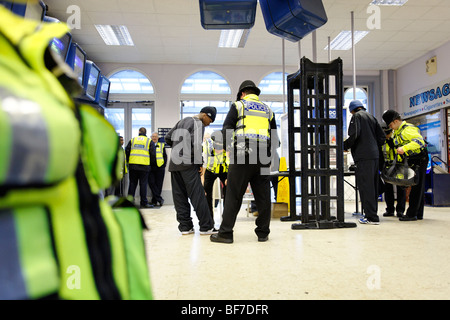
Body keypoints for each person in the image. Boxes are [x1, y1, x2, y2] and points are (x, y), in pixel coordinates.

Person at [210, 80, 278, 243]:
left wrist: (226, 149)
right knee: (263, 196)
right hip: (263, 157)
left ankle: (225, 233)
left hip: (242, 153)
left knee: (234, 194)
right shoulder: (268, 110)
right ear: (255, 93)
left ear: (242, 93)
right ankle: (263, 233)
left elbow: (227, 129)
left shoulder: (239, 105)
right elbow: (274, 138)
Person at [165, 107, 218, 235]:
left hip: (175, 163)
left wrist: (179, 148)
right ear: (204, 115)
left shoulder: (182, 121)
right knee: (198, 195)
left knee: (179, 196)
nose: (209, 123)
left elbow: (167, 137)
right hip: (188, 163)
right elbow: (196, 144)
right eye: (209, 120)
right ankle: (206, 227)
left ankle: (185, 227)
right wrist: (199, 162)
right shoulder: (198, 123)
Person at [344, 100, 385, 225]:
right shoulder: (371, 117)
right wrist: (372, 147)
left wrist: (344, 145)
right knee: (372, 186)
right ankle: (372, 214)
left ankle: (371, 217)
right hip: (374, 156)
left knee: (366, 186)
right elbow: (382, 137)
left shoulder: (357, 116)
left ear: (352, 110)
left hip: (364, 156)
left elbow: (354, 134)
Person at [382, 110, 428, 221]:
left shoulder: (408, 129)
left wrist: (404, 148)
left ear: (396, 121)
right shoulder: (398, 131)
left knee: (416, 188)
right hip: (413, 159)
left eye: (391, 125)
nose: (391, 127)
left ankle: (411, 214)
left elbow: (420, 142)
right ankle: (418, 214)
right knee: (418, 186)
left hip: (420, 159)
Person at [381, 125, 406, 218]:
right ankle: (390, 210)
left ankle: (400, 210)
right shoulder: (381, 141)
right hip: (387, 166)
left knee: (400, 188)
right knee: (388, 189)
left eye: (388, 133)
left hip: (399, 166)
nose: (387, 135)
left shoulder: (396, 139)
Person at [125, 127, 154, 208]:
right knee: (143, 184)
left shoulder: (133, 140)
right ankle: (144, 202)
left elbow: (127, 151)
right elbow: (153, 154)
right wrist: (150, 164)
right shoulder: (149, 141)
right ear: (146, 133)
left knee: (132, 184)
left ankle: (129, 203)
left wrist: (129, 161)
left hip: (133, 165)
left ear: (139, 132)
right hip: (144, 166)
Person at [202, 130, 228, 219]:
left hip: (224, 170)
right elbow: (204, 166)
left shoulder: (228, 146)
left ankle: (226, 218)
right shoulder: (207, 146)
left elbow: (231, 163)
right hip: (210, 170)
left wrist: (229, 178)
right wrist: (203, 184)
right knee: (206, 194)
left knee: (228, 193)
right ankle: (209, 220)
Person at [148, 132, 167, 206]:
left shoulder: (162, 145)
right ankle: (159, 199)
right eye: (152, 136)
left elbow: (165, 156)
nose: (154, 138)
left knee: (159, 185)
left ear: (158, 138)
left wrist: (164, 165)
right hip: (151, 168)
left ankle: (154, 201)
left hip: (160, 168)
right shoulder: (148, 145)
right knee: (152, 183)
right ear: (151, 137)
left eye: (155, 136)